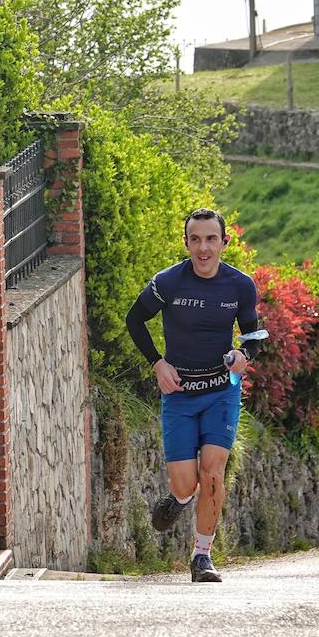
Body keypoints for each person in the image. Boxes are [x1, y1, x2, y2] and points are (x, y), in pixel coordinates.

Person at [125, 208, 262, 583]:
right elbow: (134, 320)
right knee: (185, 483)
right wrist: (157, 364)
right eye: (196, 239)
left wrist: (243, 355)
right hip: (180, 395)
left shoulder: (240, 286)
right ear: (186, 242)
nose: (203, 248)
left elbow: (252, 335)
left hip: (221, 393)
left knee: (213, 471)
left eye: (211, 239)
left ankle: (202, 555)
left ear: (224, 242)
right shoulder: (168, 282)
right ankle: (180, 500)